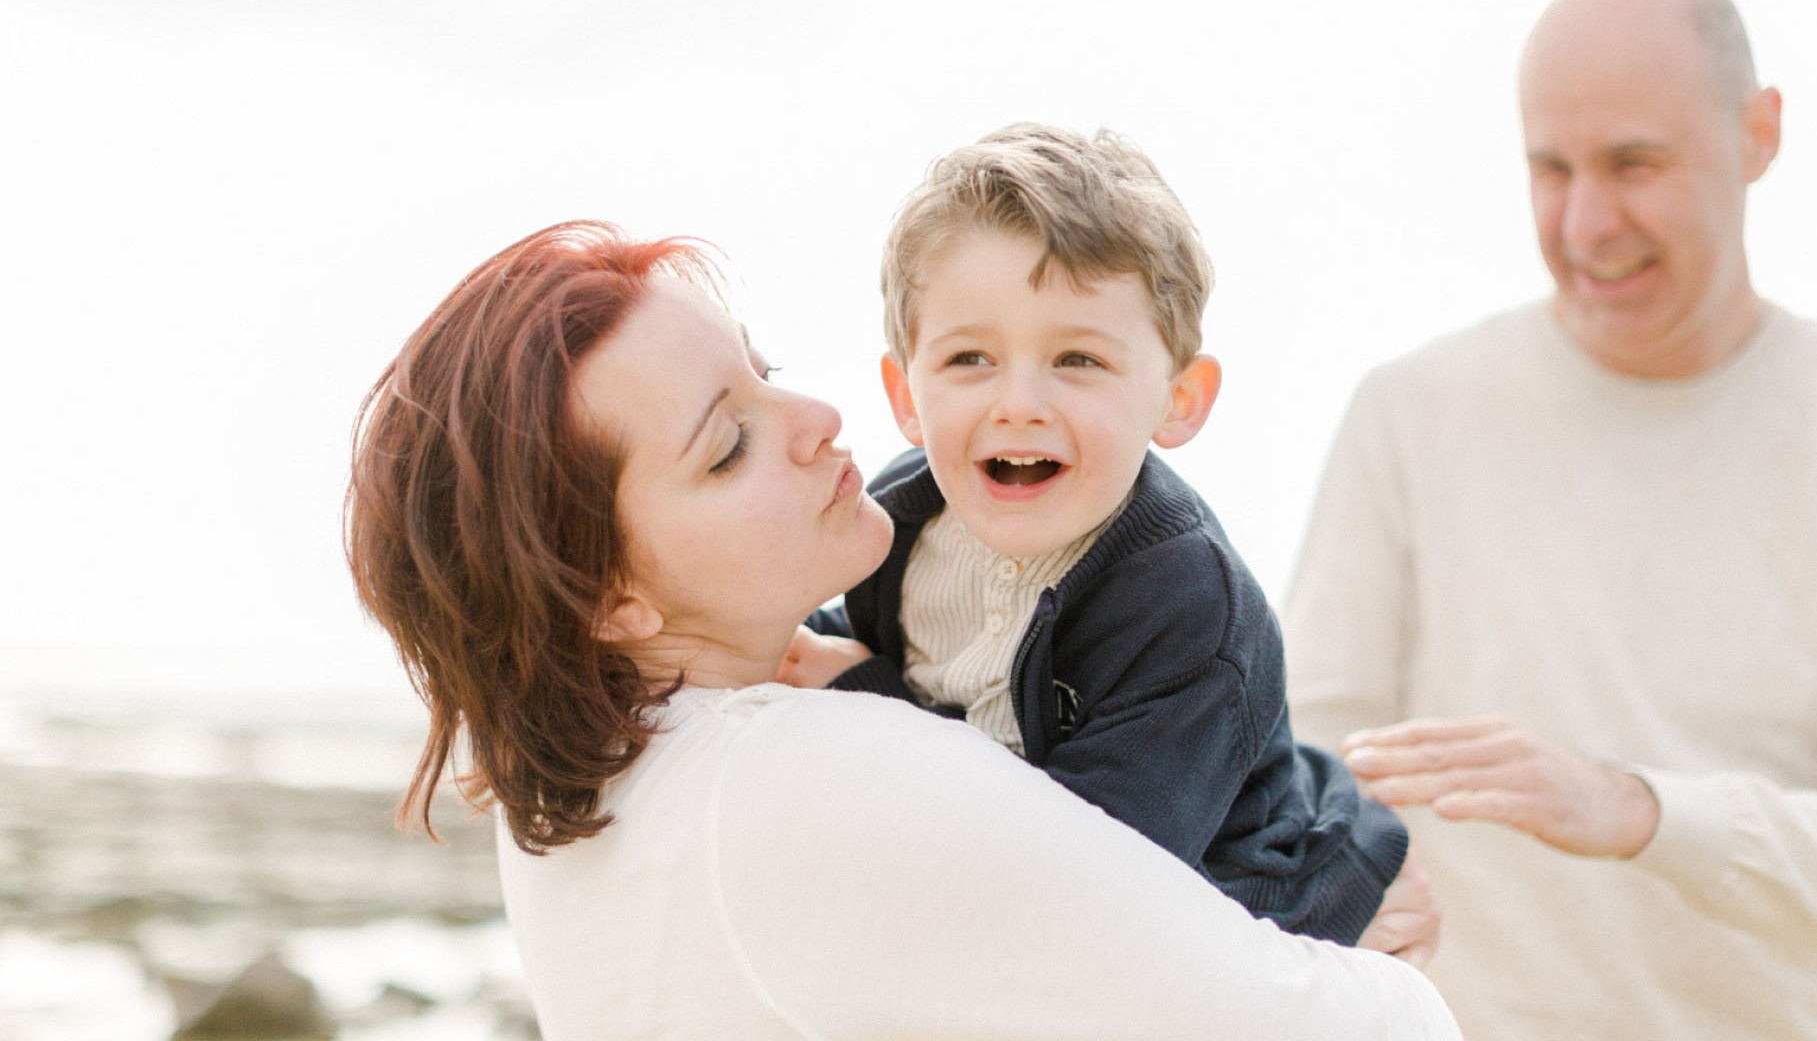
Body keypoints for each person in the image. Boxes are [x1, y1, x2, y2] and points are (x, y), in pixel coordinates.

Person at [345, 221, 1460, 1040]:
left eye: (764, 373)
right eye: (728, 444)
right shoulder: (807, 770)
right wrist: (1347, 905)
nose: (819, 419)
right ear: (609, 600)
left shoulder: (583, 792)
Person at [1282, 0, 1817, 1040]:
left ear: (1758, 134)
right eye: (1551, 168)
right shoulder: (1410, 415)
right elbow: (1301, 771)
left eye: (1634, 163)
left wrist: (1639, 810)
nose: (1586, 223)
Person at [782, 123, 1424, 953]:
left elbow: (1084, 878)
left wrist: (865, 695)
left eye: (1078, 359)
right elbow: (848, 648)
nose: (1019, 402)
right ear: (905, 392)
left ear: (1179, 399)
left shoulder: (1190, 609)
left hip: (1238, 897)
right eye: (970, 358)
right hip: (1034, 871)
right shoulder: (903, 517)